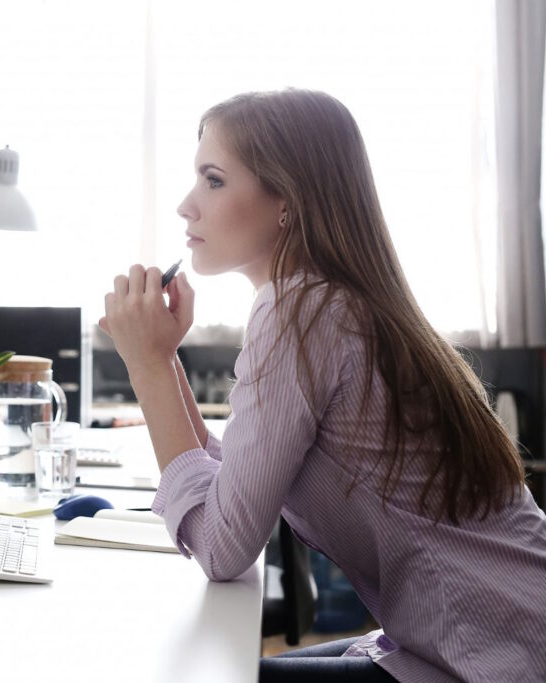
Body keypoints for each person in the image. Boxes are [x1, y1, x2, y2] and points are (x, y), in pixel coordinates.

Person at [99, 89, 546, 683]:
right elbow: (235, 480)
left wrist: (148, 366)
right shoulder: (332, 300)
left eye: (212, 180)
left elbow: (222, 548)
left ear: (287, 200)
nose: (186, 206)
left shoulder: (299, 310)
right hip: (487, 633)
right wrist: (164, 358)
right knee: (231, 666)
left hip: (490, 659)